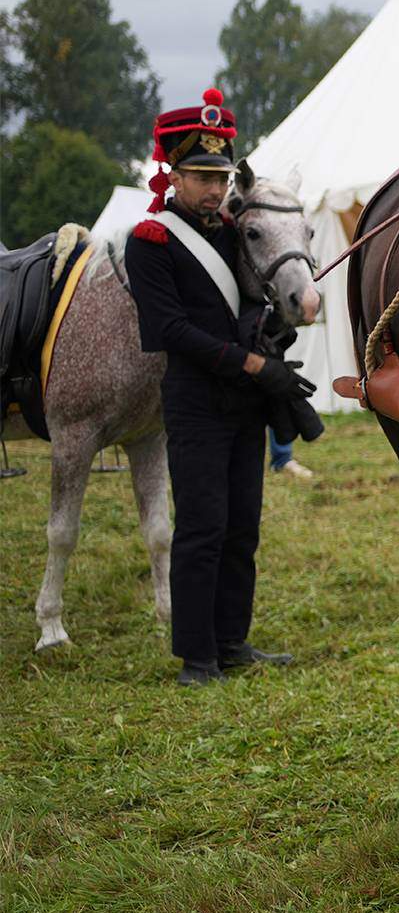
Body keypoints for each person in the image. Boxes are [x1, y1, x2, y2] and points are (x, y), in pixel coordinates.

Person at [124, 89, 312, 686]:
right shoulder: (151, 240)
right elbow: (170, 330)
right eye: (201, 175)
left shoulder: (236, 233)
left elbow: (252, 304)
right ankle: (197, 656)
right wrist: (254, 367)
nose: (213, 187)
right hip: (197, 402)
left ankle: (232, 641)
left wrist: (274, 339)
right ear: (172, 173)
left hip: (244, 407)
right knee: (202, 527)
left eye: (220, 175)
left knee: (243, 527)